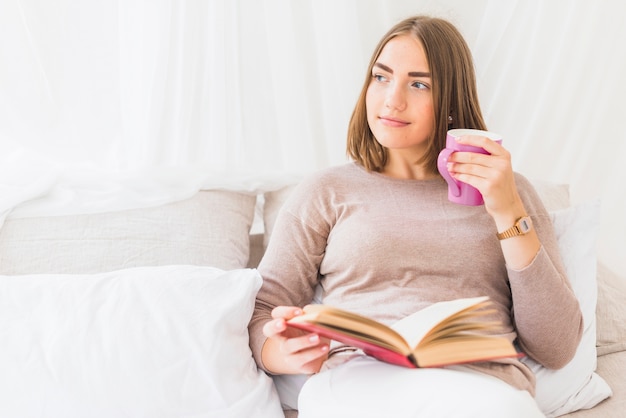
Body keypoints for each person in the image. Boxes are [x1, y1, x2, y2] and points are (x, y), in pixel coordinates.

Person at [248, 15, 582, 417]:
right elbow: (264, 308)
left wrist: (507, 210)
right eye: (381, 77)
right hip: (359, 380)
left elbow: (557, 346)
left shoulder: (510, 192)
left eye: (419, 84)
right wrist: (280, 353)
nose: (393, 99)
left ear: (451, 103)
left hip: (479, 386)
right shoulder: (326, 191)